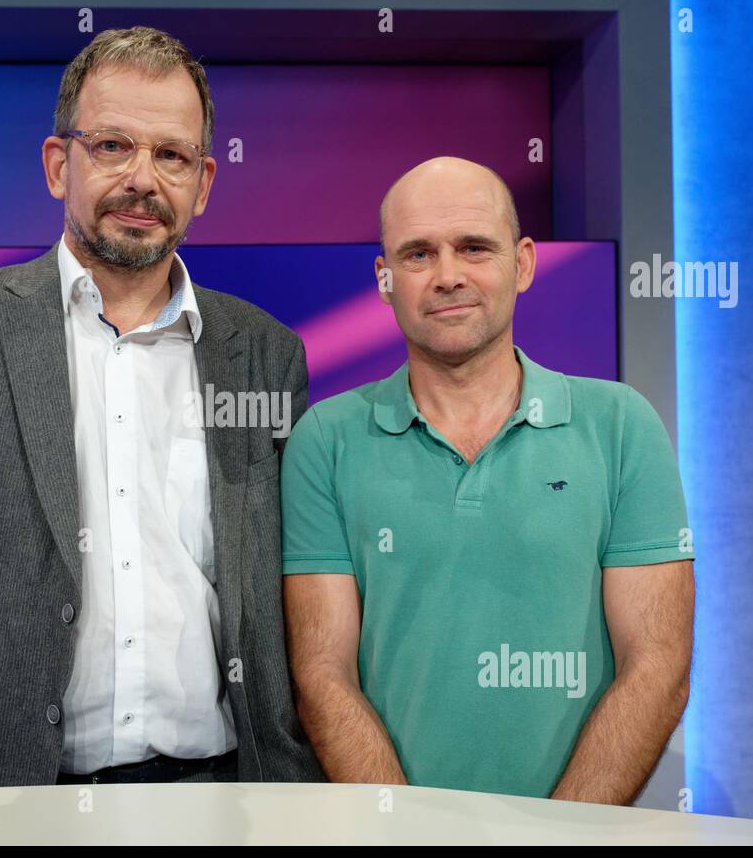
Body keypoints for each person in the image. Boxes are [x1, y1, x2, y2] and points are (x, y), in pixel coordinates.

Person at [0, 26, 322, 789]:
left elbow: (294, 600)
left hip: (227, 793)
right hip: (6, 796)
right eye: (111, 146)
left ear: (203, 183)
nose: (143, 179)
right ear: (58, 165)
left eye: (171, 156)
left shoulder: (266, 353)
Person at [280, 156, 694, 803]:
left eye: (474, 247)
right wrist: (407, 838)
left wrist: (561, 843)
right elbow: (321, 673)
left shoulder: (621, 426)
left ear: (523, 263)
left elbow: (658, 667)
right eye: (418, 255)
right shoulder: (324, 440)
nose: (448, 276)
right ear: (384, 279)